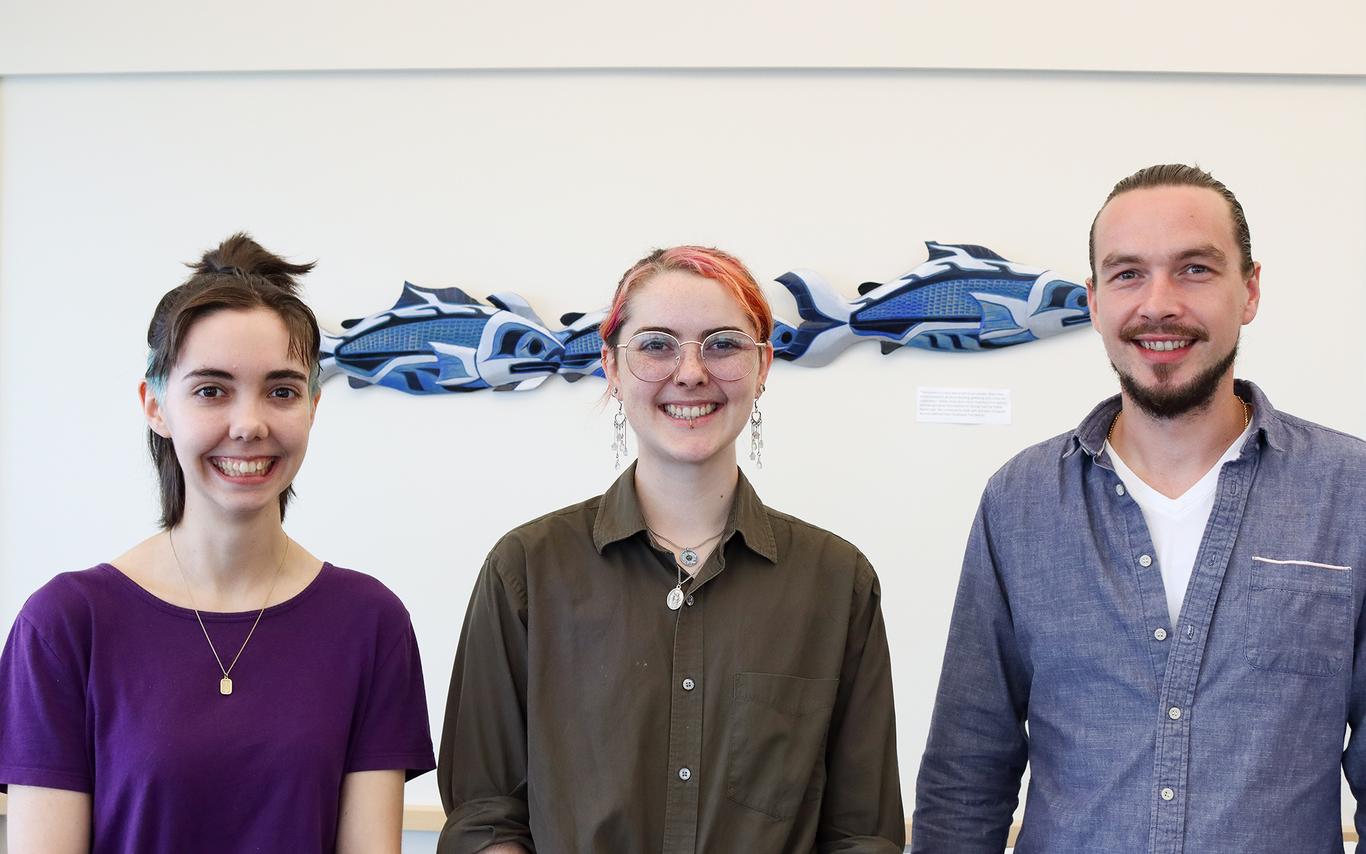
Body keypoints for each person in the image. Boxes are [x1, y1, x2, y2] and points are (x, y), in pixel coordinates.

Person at [913, 164, 1366, 852]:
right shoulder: (1022, 501)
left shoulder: (1349, 492)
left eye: (1194, 270)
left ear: (1249, 292)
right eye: (1128, 274)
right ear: (1094, 302)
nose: (1158, 304)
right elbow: (966, 773)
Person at [437, 246, 904, 853]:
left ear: (763, 367)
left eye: (723, 344)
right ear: (611, 365)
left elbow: (861, 834)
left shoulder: (836, 581)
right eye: (656, 345)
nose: (690, 372)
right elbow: (483, 816)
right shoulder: (526, 569)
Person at [0, 234, 435, 853]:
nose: (249, 424)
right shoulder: (64, 625)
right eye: (211, 390)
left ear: (313, 405)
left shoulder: (371, 623)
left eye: (281, 390)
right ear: (155, 404)